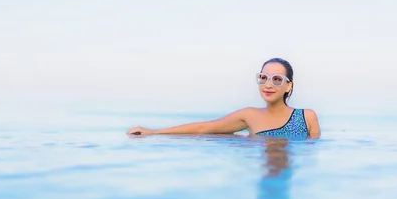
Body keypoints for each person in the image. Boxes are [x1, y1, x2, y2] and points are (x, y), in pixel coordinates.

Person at [126, 57, 321, 139]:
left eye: (277, 79)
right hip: (265, 176)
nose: (268, 85)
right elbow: (206, 128)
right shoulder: (249, 116)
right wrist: (153, 133)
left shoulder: (307, 117)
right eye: (263, 78)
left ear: (289, 86)